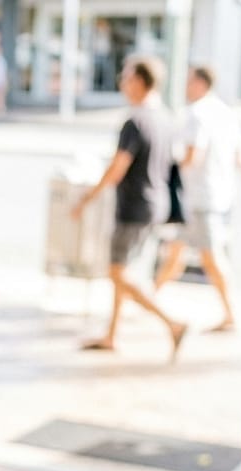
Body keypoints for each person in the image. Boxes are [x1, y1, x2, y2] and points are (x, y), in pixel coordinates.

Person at [72, 55, 187, 359]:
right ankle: (112, 335)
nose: (122, 82)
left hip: (135, 207)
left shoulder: (134, 121)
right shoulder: (163, 116)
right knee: (123, 270)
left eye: (125, 76)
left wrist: (87, 199)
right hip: (156, 204)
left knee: (118, 273)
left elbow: (117, 168)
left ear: (139, 81)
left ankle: (172, 323)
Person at [153, 65, 241, 332]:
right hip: (215, 197)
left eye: (189, 80)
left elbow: (194, 155)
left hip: (198, 198)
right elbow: (240, 155)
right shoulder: (224, 112)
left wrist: (165, 169)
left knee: (211, 258)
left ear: (200, 83)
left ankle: (230, 314)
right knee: (175, 253)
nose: (185, 86)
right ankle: (150, 299)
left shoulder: (196, 114)